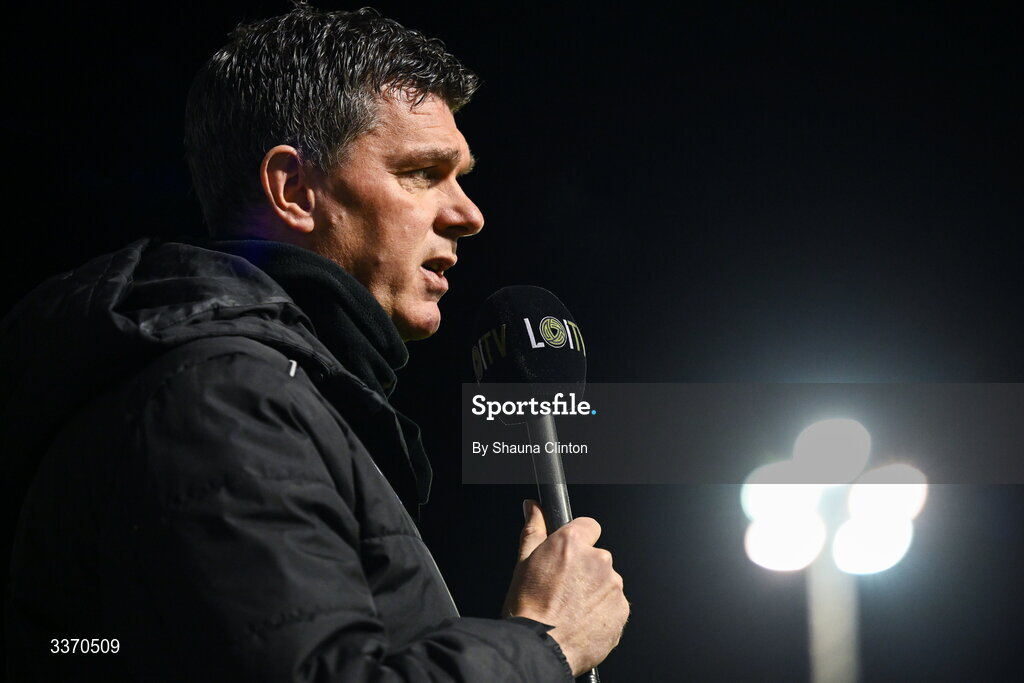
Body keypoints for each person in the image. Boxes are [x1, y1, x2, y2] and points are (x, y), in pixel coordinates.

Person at [2, 5, 628, 681]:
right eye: (422, 172)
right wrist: (543, 642)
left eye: (462, 177)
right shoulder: (225, 398)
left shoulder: (268, 393)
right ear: (294, 189)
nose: (469, 215)